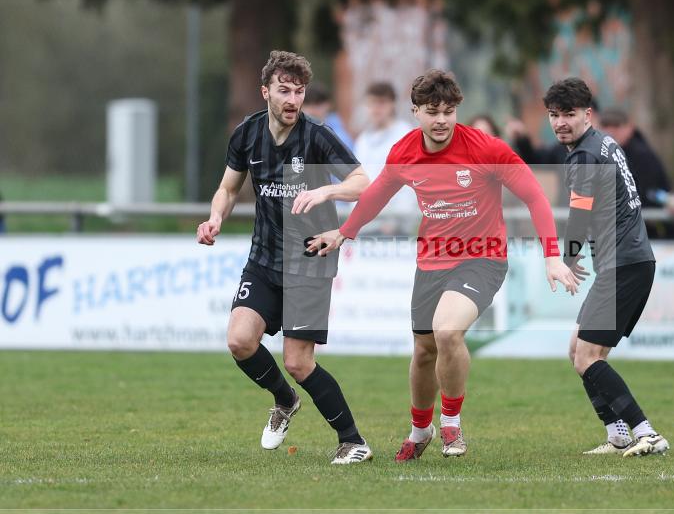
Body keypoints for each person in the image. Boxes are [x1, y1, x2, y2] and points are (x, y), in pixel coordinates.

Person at [309, 69, 578, 460]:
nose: (441, 120)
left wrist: (552, 255)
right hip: (432, 259)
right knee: (423, 351)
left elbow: (535, 196)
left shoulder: (485, 149)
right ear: (415, 111)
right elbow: (376, 196)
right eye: (432, 111)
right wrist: (344, 232)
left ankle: (451, 425)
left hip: (483, 258)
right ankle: (421, 430)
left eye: (449, 111)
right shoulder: (404, 153)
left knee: (447, 332)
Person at [196, 50, 374, 464]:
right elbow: (227, 187)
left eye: (299, 91)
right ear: (266, 92)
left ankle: (353, 441)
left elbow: (362, 180)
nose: (293, 98)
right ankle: (284, 401)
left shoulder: (316, 135)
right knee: (240, 340)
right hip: (263, 257)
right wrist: (215, 217)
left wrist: (327, 190)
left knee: (297, 361)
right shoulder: (247, 134)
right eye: (284, 90)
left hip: (310, 259)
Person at [543, 78, 668, 458]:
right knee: (577, 350)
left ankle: (647, 432)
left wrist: (566, 258)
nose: (561, 122)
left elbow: (580, 210)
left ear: (587, 114)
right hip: (627, 261)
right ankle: (618, 435)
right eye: (554, 115)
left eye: (569, 114)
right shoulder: (603, 143)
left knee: (587, 356)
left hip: (623, 264)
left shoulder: (584, 155)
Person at [598, 108, 674, 240]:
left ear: (629, 127)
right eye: (606, 126)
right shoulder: (606, 154)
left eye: (617, 126)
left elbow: (647, 194)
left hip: (658, 232)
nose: (611, 131)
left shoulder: (641, 155)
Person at [353, 82, 416, 234]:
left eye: (381, 103)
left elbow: (410, 183)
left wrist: (395, 221)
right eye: (372, 103)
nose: (376, 109)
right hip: (364, 226)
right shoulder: (363, 140)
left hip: (393, 227)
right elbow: (356, 179)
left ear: (392, 104)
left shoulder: (405, 135)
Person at [303, 82, 355, 151]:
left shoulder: (340, 138)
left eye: (317, 103)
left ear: (329, 105)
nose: (312, 110)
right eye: (307, 104)